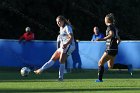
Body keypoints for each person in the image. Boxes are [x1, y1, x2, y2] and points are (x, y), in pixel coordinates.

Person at [34, 15, 75, 81]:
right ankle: (41, 69)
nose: (58, 23)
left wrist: (66, 44)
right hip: (63, 46)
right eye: (57, 22)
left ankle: (60, 78)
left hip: (70, 46)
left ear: (63, 21)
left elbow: (71, 37)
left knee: (61, 60)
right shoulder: (61, 28)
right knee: (52, 59)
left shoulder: (67, 27)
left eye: (59, 22)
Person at [95, 13, 121, 82]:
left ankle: (99, 80)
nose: (104, 20)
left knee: (100, 63)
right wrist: (116, 46)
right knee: (110, 66)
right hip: (114, 49)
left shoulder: (109, 27)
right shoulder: (115, 28)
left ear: (107, 20)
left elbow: (111, 35)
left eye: (105, 19)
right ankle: (127, 67)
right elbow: (119, 39)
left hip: (110, 49)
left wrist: (101, 39)